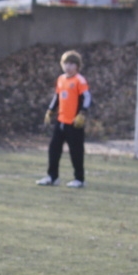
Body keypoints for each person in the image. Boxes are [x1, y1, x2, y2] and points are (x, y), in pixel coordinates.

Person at [37, 50, 91, 188]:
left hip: (74, 123)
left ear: (77, 66)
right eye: (66, 63)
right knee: (54, 149)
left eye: (72, 64)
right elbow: (57, 96)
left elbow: (87, 97)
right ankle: (52, 177)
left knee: (76, 151)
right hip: (61, 121)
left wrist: (82, 113)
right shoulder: (61, 79)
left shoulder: (79, 80)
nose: (68, 66)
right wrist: (50, 110)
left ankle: (79, 179)